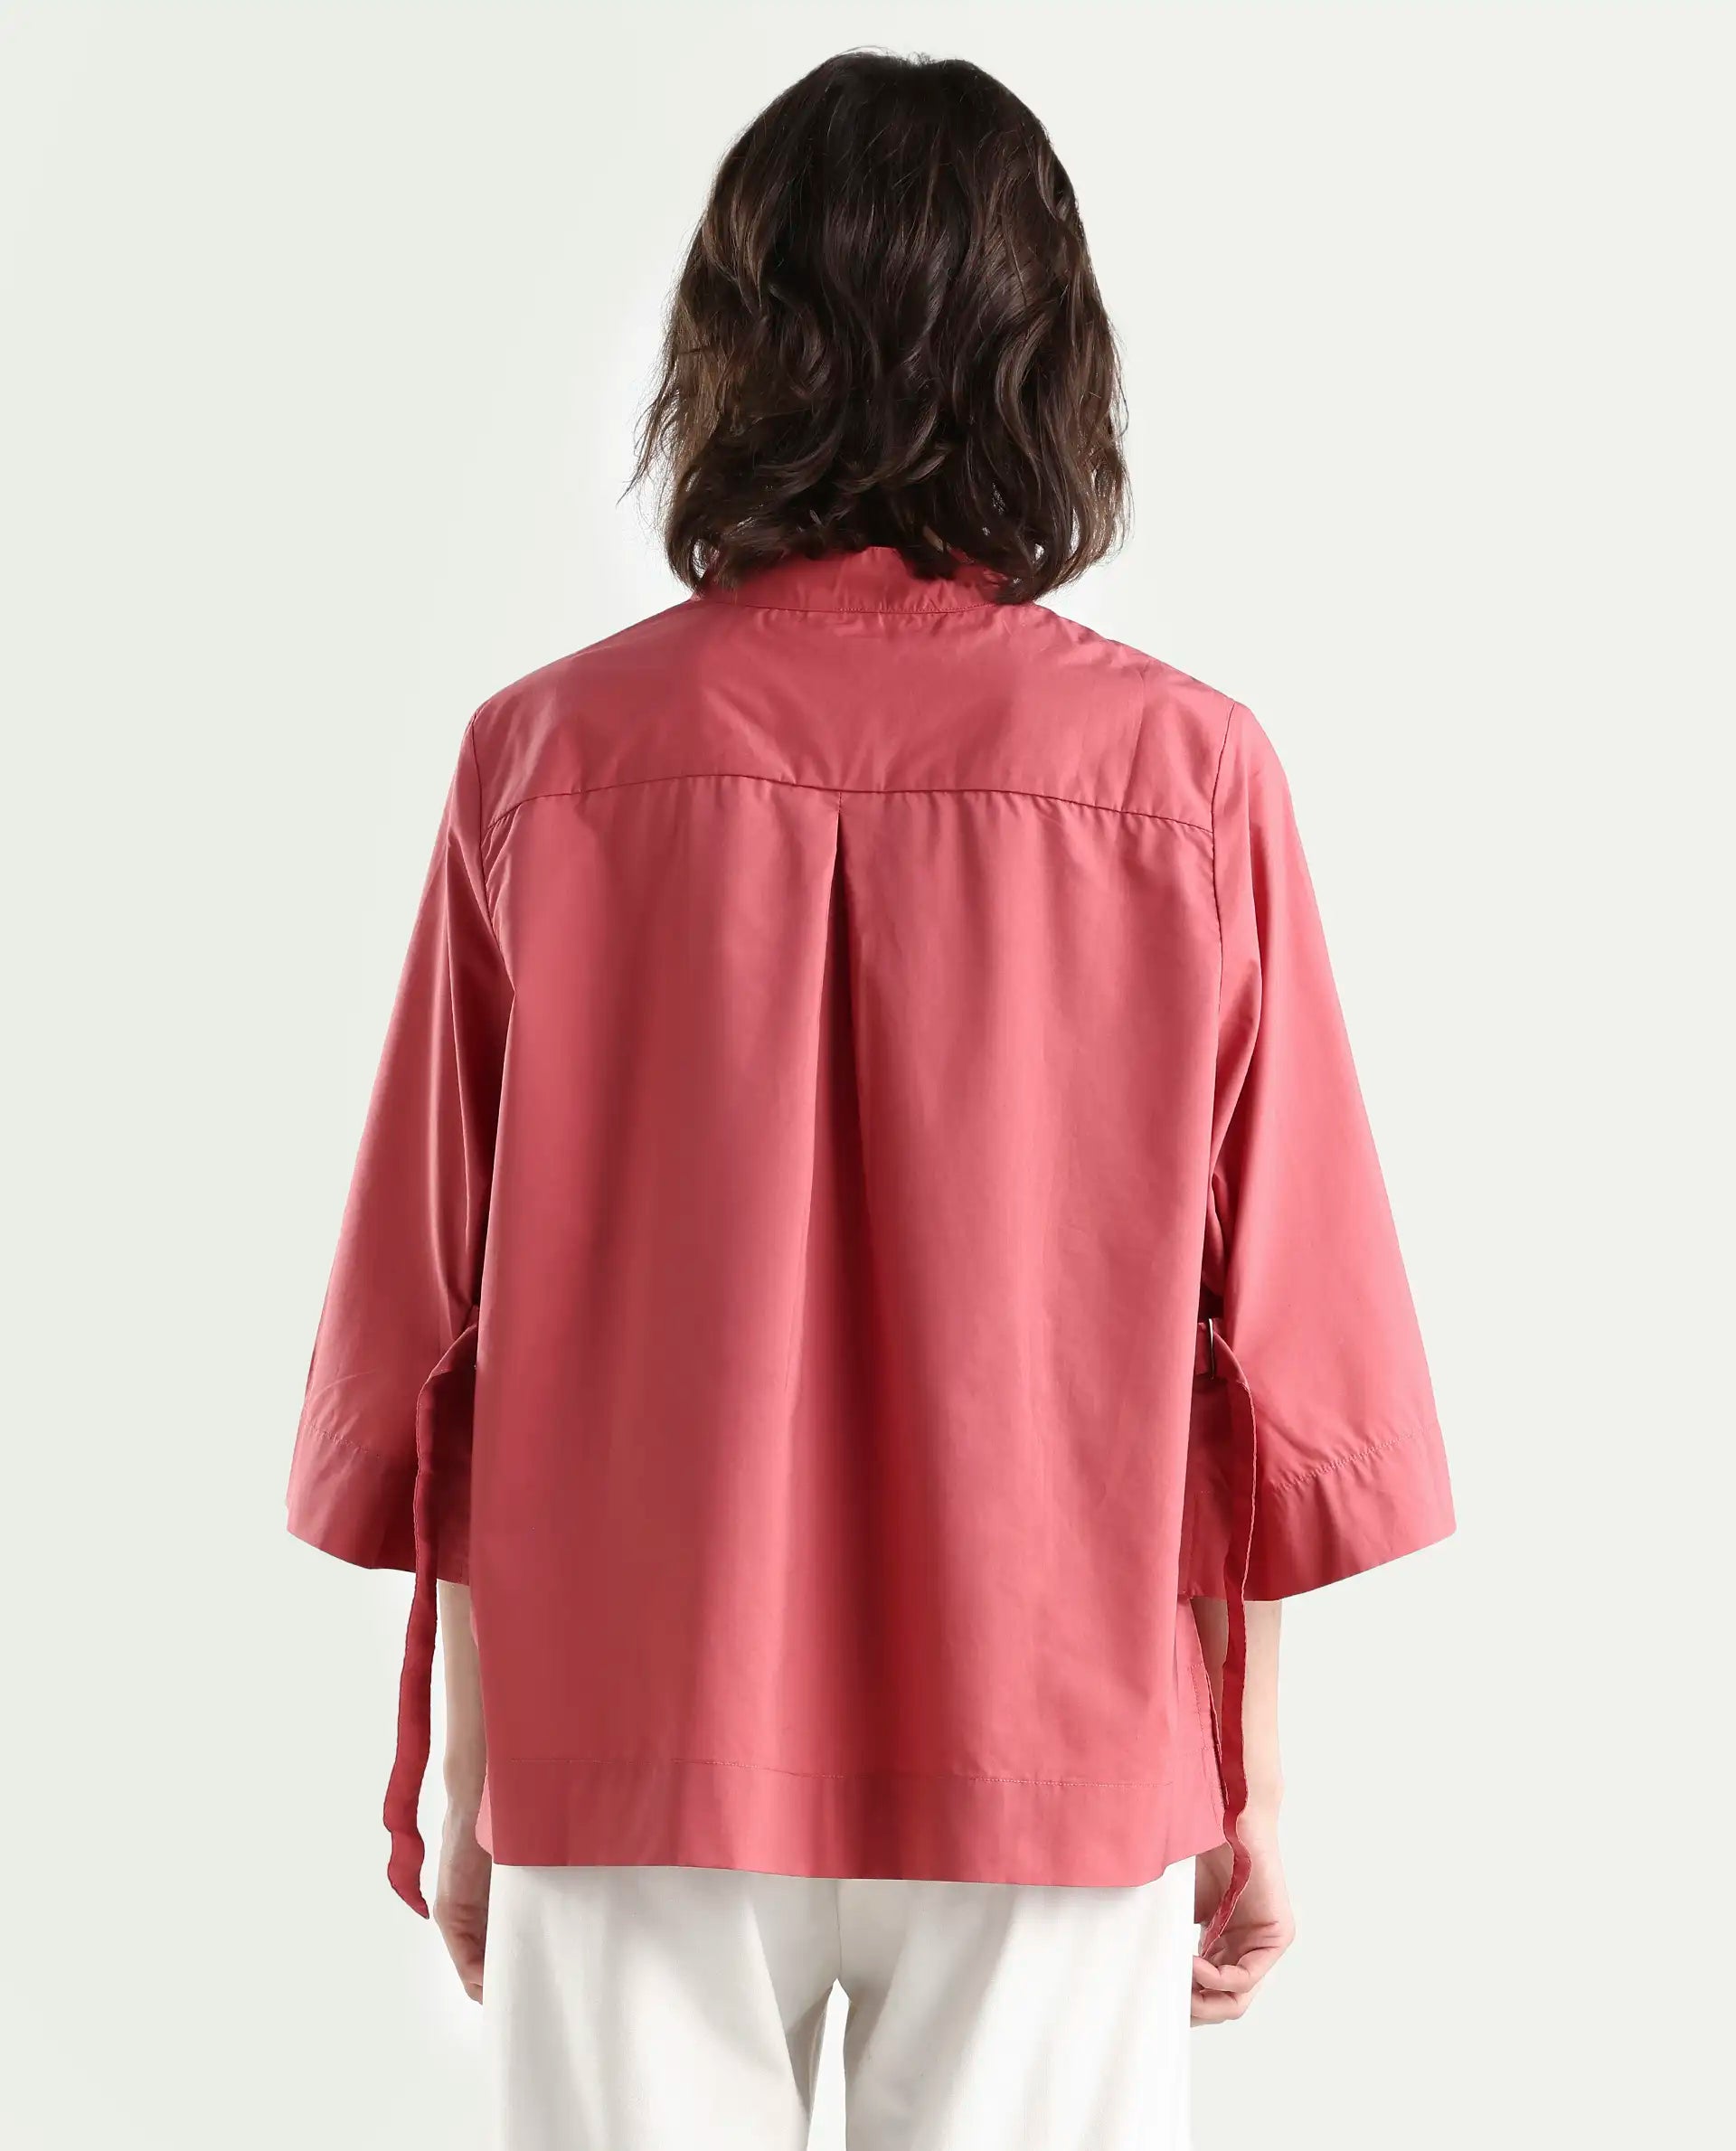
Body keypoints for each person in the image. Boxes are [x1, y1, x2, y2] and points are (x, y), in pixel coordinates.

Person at [285, 49, 1453, 2151]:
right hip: (1052, 1728)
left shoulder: (546, 762)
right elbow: (1274, 1349)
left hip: (633, 1726)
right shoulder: (1186, 780)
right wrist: (1252, 1766)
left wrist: (472, 1755)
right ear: (1044, 356)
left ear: (735, 349)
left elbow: (440, 1330)